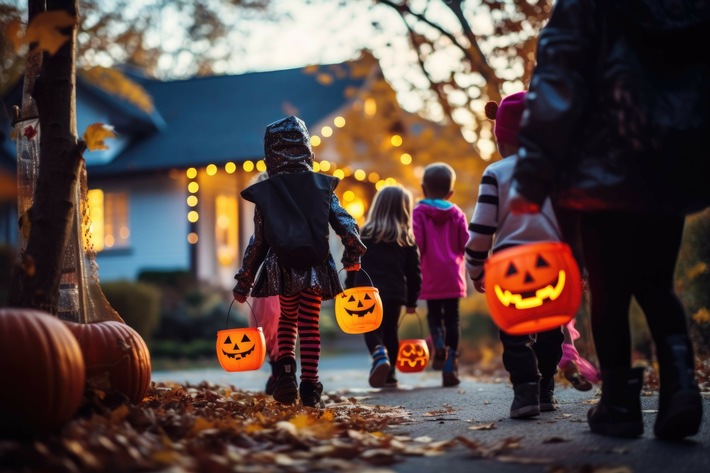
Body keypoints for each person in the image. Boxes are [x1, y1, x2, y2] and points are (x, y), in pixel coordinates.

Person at [509, 0, 709, 439]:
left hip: (601, 167)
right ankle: (682, 389)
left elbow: (556, 87)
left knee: (610, 290)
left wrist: (532, 176)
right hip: (670, 159)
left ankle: (619, 404)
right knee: (658, 284)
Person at [233, 116, 366, 408]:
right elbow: (345, 222)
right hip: (315, 266)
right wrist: (352, 253)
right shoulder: (322, 187)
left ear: (271, 153)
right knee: (309, 325)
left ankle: (286, 376)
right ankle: (310, 386)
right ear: (307, 150)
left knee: (288, 321)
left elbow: (259, 241)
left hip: (281, 267)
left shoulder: (268, 192)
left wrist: (245, 280)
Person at [465, 91, 565, 419]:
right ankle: (546, 388)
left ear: (500, 139)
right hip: (554, 261)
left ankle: (526, 393)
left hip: (510, 264)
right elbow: (572, 222)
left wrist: (477, 269)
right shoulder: (557, 171)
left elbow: (481, 230)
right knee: (552, 328)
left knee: (515, 331)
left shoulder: (496, 173)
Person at [346, 185, 422, 389]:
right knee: (390, 331)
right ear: (404, 210)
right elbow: (414, 274)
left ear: (377, 207)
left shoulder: (362, 234)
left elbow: (352, 265)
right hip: (394, 293)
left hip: (366, 293)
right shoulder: (406, 240)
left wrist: (348, 288)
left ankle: (378, 353)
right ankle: (390, 375)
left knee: (371, 329)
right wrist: (412, 300)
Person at [412, 162, 468, 386]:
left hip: (430, 273)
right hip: (453, 274)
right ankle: (450, 366)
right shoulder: (457, 213)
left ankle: (438, 342)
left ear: (424, 189)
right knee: (453, 318)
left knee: (434, 315)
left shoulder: (419, 212)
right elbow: (465, 243)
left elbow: (418, 243)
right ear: (451, 192)